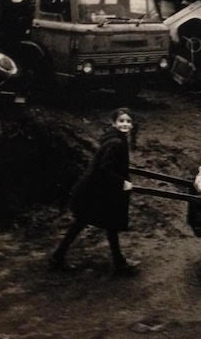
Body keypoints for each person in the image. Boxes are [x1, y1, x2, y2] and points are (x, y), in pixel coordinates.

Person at [49, 107, 140, 275]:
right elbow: (105, 168)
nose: (125, 124)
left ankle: (119, 263)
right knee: (87, 222)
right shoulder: (116, 142)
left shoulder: (117, 139)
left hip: (99, 189)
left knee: (104, 223)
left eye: (128, 121)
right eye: (121, 121)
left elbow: (113, 166)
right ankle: (57, 257)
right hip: (93, 191)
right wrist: (123, 182)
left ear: (132, 124)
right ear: (113, 123)